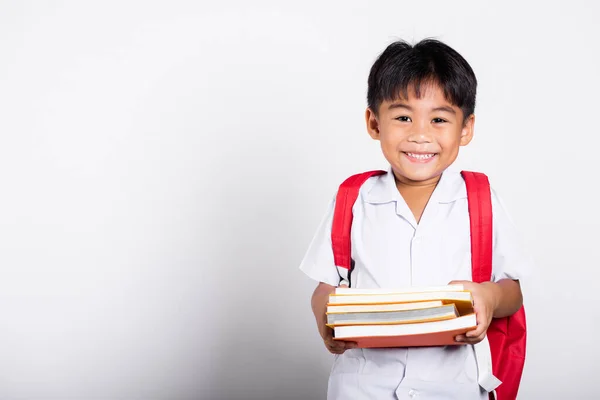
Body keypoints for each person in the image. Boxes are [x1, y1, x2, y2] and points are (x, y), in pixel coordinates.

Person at [299, 38, 532, 399]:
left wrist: (487, 296)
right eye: (403, 117)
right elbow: (325, 285)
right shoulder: (353, 199)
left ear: (466, 128)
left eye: (439, 119)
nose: (420, 135)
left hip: (454, 386)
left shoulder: (481, 200)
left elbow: (511, 291)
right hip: (363, 386)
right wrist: (323, 315)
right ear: (374, 123)